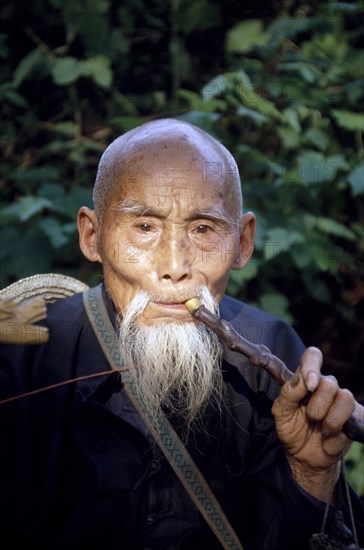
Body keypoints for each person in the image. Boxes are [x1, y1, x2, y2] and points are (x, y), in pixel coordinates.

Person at [0, 118, 363, 550]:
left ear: (244, 243)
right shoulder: (24, 357)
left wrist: (312, 475)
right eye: (144, 227)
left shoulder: (271, 357)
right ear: (92, 236)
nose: (175, 266)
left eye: (203, 229)